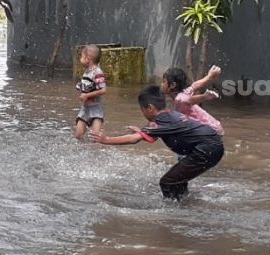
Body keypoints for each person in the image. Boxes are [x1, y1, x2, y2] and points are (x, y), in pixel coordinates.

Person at [92, 85, 224, 200]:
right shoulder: (169, 115)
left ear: (149, 108)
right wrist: (141, 132)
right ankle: (183, 203)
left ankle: (173, 213)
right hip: (213, 145)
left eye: (142, 109)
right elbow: (151, 137)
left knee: (167, 182)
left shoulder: (160, 120)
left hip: (206, 149)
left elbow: (134, 139)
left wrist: (106, 140)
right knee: (177, 178)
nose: (142, 112)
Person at [162, 66, 224, 136]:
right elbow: (194, 86)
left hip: (211, 130)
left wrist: (204, 96)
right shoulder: (184, 92)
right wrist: (209, 76)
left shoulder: (179, 98)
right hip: (213, 127)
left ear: (172, 85)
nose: (162, 84)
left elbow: (188, 100)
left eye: (164, 81)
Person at [75, 45, 107, 140]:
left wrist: (87, 95)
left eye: (81, 56)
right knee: (78, 135)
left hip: (96, 109)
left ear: (88, 58)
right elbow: (87, 84)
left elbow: (103, 90)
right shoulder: (87, 71)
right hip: (85, 108)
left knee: (95, 137)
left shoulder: (97, 73)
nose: (80, 59)